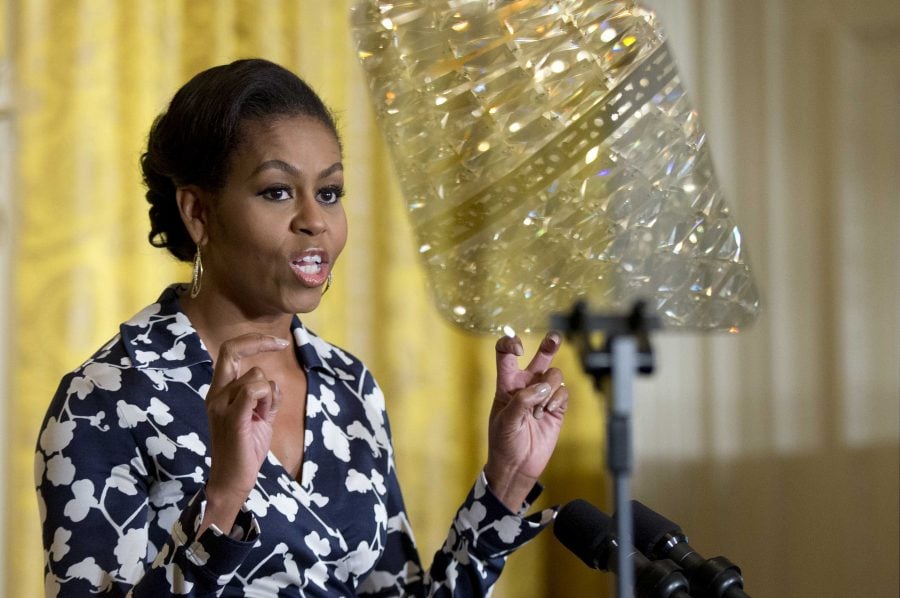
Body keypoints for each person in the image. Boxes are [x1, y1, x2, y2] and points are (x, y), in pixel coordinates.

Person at [34, 58, 569, 597]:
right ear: (198, 212)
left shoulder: (348, 385)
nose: (315, 220)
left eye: (330, 192)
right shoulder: (105, 399)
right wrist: (222, 499)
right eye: (277, 191)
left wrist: (506, 482)